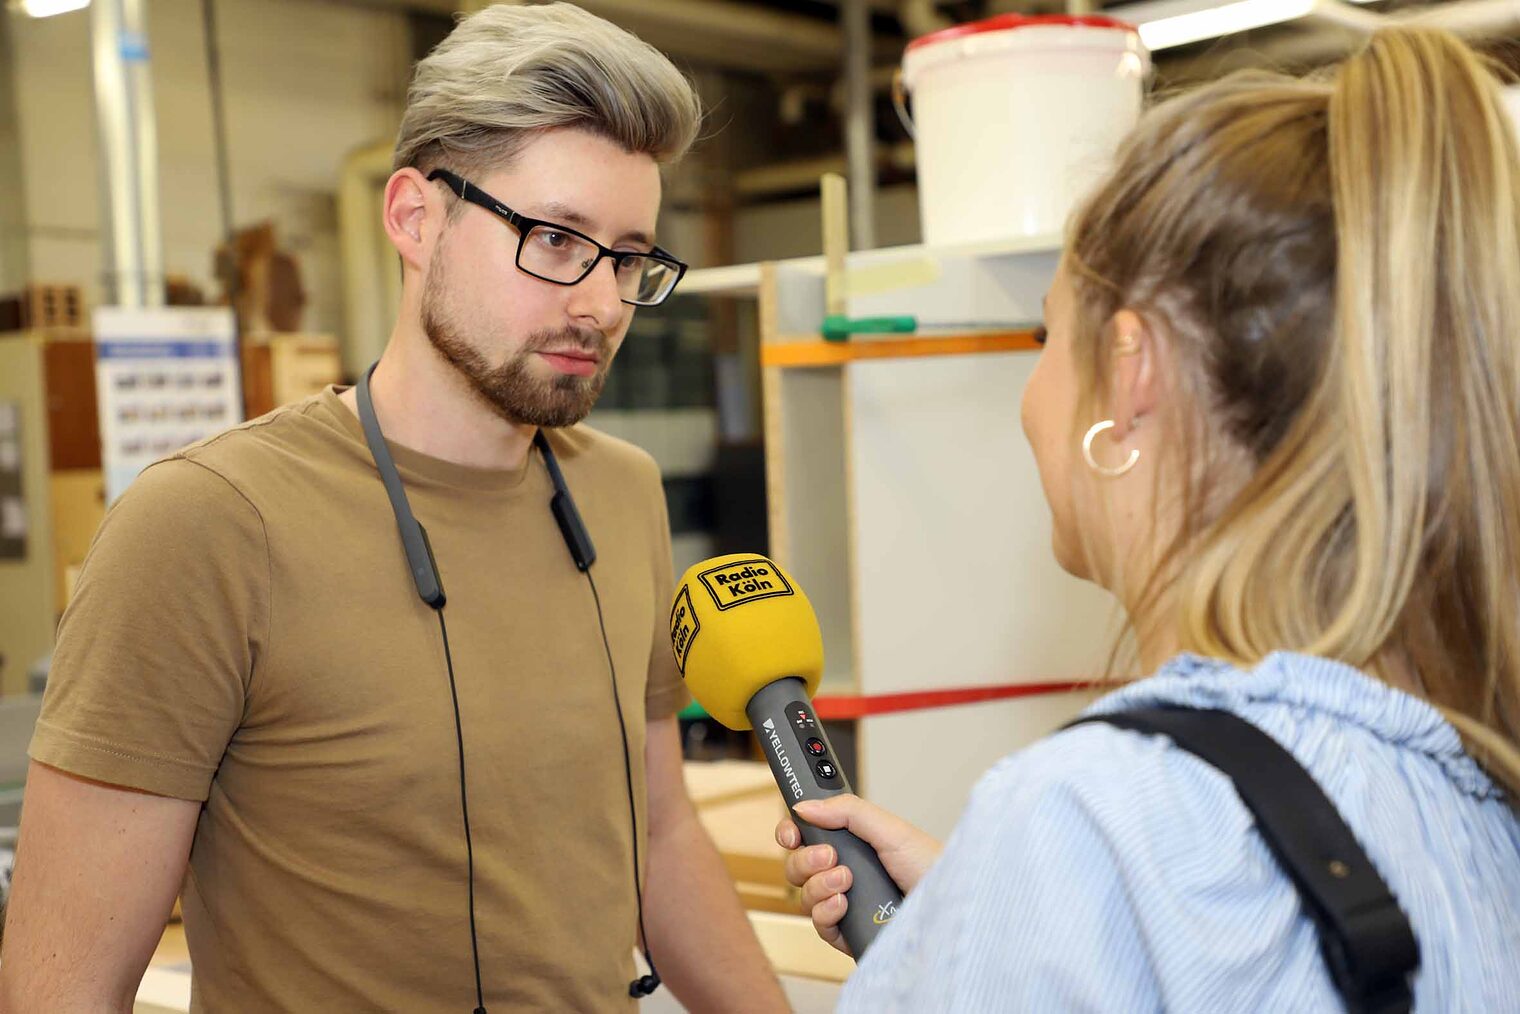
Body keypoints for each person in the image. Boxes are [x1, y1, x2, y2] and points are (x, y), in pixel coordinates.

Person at [0, 4, 788, 1011]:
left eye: (629, 259)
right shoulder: (207, 525)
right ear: (416, 218)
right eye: (554, 239)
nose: (599, 305)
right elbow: (56, 990)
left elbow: (661, 829)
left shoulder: (620, 493)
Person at [779, 27, 1520, 1011]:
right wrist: (974, 918)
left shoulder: (1084, 819)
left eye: (1047, 335)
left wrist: (1029, 896)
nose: (1027, 391)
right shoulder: (1469, 776)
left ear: (1129, 375)